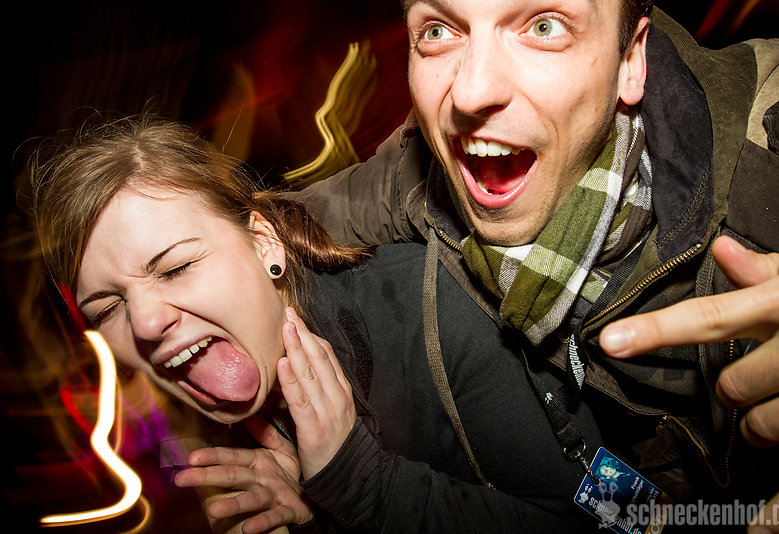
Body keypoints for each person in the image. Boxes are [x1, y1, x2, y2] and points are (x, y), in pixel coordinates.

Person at [288, 0, 779, 531]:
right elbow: (273, 229)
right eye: (439, 31)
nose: (470, 92)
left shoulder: (777, 186)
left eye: (543, 26)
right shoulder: (425, 178)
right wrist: (288, 451)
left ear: (630, 60)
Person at [29, 115, 605, 533]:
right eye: (107, 308)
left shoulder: (439, 304)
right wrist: (319, 513)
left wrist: (358, 483)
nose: (146, 322)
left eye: (175, 267)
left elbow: (622, 517)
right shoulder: (235, 407)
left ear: (263, 242)